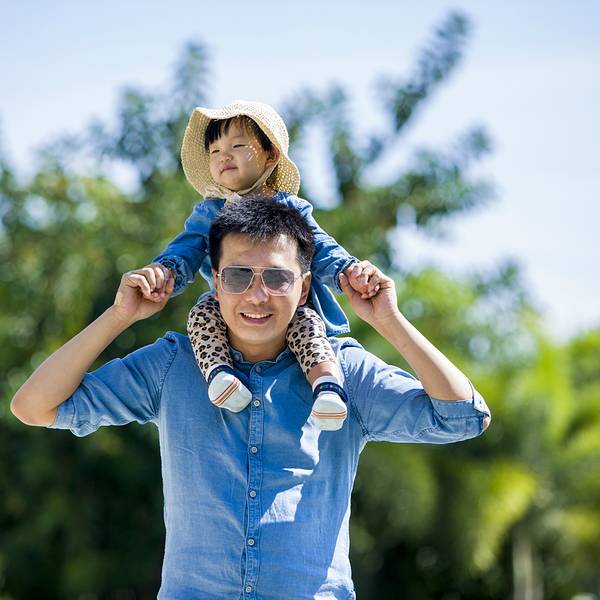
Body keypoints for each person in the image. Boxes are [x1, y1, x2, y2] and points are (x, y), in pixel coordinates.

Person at [11, 196, 491, 599]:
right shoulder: (173, 364)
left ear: (304, 286)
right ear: (216, 282)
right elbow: (34, 406)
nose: (257, 295)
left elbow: (463, 417)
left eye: (276, 278)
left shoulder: (345, 370)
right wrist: (119, 317)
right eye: (238, 276)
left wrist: (389, 321)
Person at [145, 100, 377, 430]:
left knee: (308, 326)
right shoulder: (210, 212)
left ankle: (327, 385)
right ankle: (220, 374)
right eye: (215, 150)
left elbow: (322, 247)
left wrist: (348, 271)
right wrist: (165, 270)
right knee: (201, 315)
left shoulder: (291, 209)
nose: (224, 156)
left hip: (287, 304)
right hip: (232, 306)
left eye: (238, 146)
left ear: (270, 155)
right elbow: (186, 248)